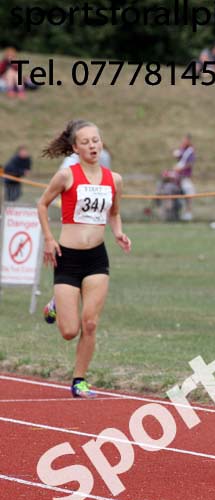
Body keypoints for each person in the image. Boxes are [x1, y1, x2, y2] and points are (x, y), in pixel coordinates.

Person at [36, 120, 132, 398]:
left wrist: (118, 233)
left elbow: (113, 213)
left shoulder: (114, 179)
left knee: (90, 323)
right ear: (75, 148)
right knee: (69, 331)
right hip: (68, 258)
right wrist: (49, 239)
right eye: (86, 142)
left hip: (96, 259)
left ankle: (79, 380)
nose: (93, 145)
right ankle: (56, 302)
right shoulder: (66, 175)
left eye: (96, 140)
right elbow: (42, 204)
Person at [172, 134, 196, 221]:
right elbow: (177, 157)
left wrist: (180, 168)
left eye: (185, 140)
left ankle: (188, 213)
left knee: (189, 193)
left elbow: (190, 164)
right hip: (179, 177)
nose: (183, 142)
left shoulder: (190, 151)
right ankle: (183, 213)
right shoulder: (183, 150)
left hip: (185, 177)